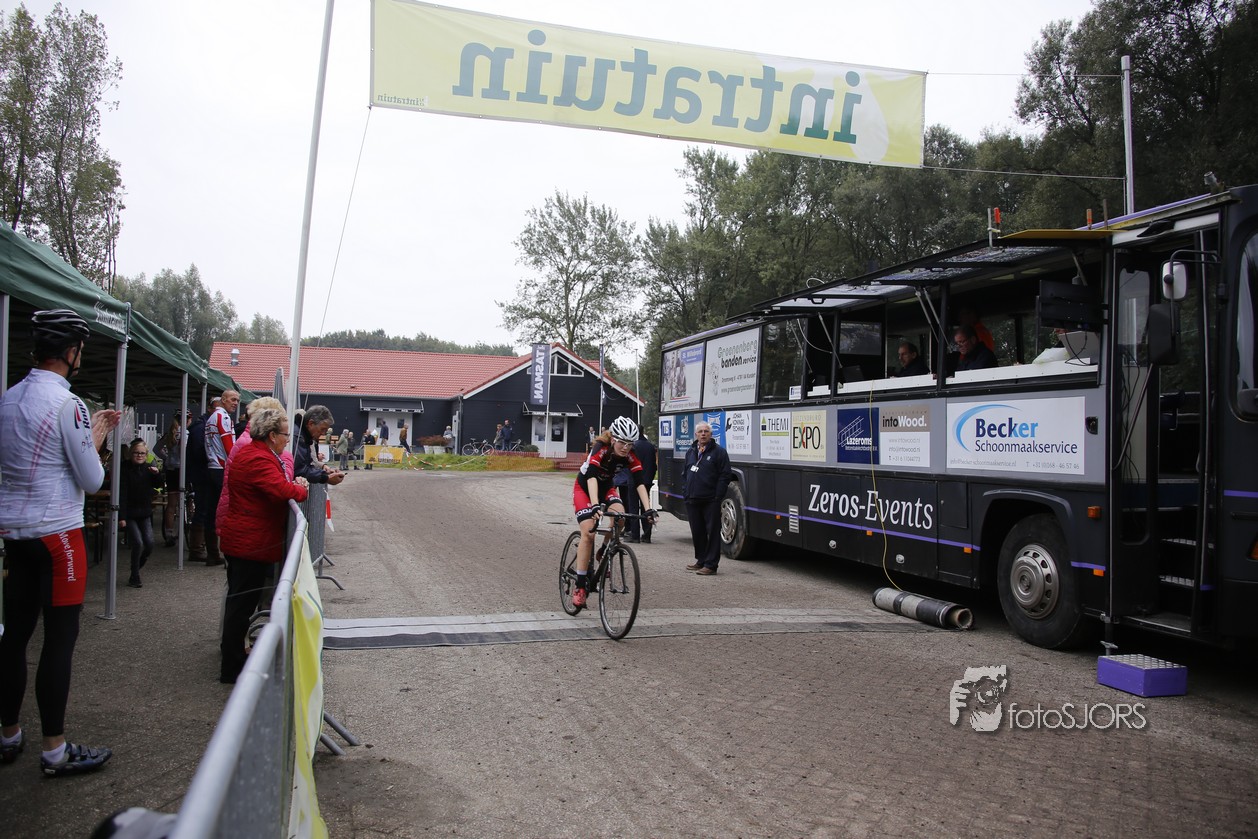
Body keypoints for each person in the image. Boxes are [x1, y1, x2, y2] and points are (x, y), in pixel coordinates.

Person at [0, 309, 122, 777]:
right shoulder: (69, 404)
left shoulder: (9, 398)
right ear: (71, 352)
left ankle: (8, 733)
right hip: (59, 535)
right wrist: (96, 436)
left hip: (16, 532)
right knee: (59, 641)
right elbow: (92, 481)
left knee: (15, 635)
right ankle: (54, 750)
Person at [218, 407, 310, 683]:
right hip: (250, 542)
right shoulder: (258, 458)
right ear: (272, 435)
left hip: (248, 539)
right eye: (285, 435)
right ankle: (232, 666)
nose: (287, 440)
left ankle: (235, 657)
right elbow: (280, 490)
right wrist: (301, 488)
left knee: (241, 603)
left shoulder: (255, 454)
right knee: (241, 605)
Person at [569, 417, 656, 608]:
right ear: (614, 439)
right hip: (585, 488)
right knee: (588, 533)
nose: (626, 448)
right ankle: (580, 586)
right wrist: (594, 505)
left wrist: (648, 509)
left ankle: (603, 551)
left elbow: (640, 482)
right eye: (622, 443)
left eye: (630, 444)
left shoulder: (630, 454)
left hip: (607, 488)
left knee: (620, 517)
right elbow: (591, 477)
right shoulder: (601, 447)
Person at [683, 421, 733, 576]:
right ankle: (701, 560)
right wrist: (685, 491)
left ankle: (711, 565)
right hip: (692, 499)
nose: (703, 434)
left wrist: (718, 495)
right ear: (696, 435)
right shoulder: (691, 451)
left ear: (711, 434)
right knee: (697, 531)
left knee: (712, 532)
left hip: (710, 499)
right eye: (700, 431)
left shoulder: (719, 452)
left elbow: (725, 475)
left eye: (706, 431)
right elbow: (685, 472)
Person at [118, 438, 164, 588]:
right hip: (130, 513)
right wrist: (122, 517)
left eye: (142, 453)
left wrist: (157, 474)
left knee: (149, 543)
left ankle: (137, 566)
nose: (139, 456)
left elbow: (159, 484)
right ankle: (135, 575)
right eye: (136, 453)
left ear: (146, 455)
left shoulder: (148, 469)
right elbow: (122, 494)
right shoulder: (124, 469)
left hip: (144, 512)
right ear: (131, 453)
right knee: (137, 542)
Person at [202, 389, 239, 566]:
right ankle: (224, 553)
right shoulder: (222, 417)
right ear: (223, 400)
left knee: (211, 511)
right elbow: (229, 447)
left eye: (237, 400)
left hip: (212, 466)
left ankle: (213, 553)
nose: (236, 403)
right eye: (232, 399)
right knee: (225, 511)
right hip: (221, 468)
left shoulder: (212, 417)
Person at [154, 414, 186, 547]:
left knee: (171, 504)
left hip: (171, 469)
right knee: (186, 501)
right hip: (184, 468)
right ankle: (187, 527)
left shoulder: (169, 434)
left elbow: (156, 449)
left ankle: (169, 533)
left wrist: (166, 458)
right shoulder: (187, 433)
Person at [295, 405, 346, 486]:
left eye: (326, 430)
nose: (323, 433)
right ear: (310, 423)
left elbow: (307, 465)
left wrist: (324, 473)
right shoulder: (298, 438)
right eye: (322, 429)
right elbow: (299, 470)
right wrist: (325, 477)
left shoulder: (305, 437)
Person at [625, 433, 658, 543]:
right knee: (645, 506)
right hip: (647, 480)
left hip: (634, 480)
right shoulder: (650, 446)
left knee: (633, 507)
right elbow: (653, 464)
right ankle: (647, 535)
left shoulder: (633, 446)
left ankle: (635, 535)